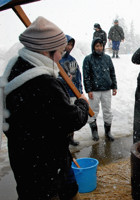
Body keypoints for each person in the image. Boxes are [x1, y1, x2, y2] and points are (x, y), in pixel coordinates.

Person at [0, 16, 89, 199]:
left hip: (23, 156)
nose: (60, 56)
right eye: (59, 51)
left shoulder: (14, 69)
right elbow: (72, 119)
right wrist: (82, 104)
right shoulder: (43, 84)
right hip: (45, 164)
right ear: (45, 51)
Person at [83, 37, 117, 142]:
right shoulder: (88, 59)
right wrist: (88, 90)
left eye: (101, 46)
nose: (99, 48)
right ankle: (94, 132)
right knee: (93, 112)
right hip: (94, 90)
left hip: (106, 89)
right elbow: (86, 76)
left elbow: (112, 72)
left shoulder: (107, 58)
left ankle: (108, 132)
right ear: (93, 47)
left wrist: (114, 86)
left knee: (107, 111)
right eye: (97, 46)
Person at [59, 34, 83, 146]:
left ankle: (70, 138)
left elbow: (76, 76)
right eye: (68, 44)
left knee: (71, 117)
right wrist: (63, 80)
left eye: (71, 45)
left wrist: (79, 91)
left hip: (71, 93)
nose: (69, 47)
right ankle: (61, 138)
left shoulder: (72, 60)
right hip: (60, 93)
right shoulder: (57, 59)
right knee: (61, 117)